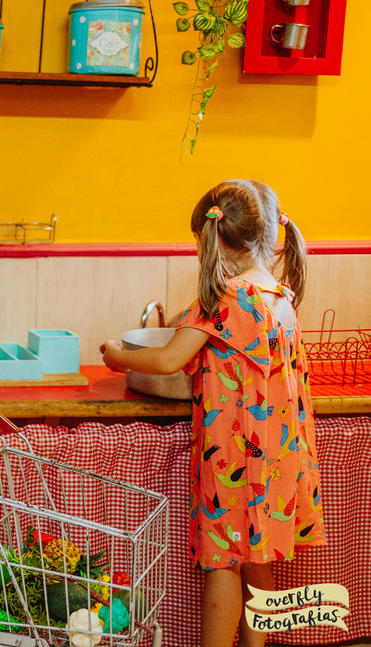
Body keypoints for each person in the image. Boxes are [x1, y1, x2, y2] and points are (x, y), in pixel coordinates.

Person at [100, 180, 324, 647]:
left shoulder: (223, 298)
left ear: (215, 239)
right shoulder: (281, 296)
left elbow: (166, 359)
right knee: (256, 560)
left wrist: (118, 356)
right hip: (281, 457)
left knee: (222, 562)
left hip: (236, 459)